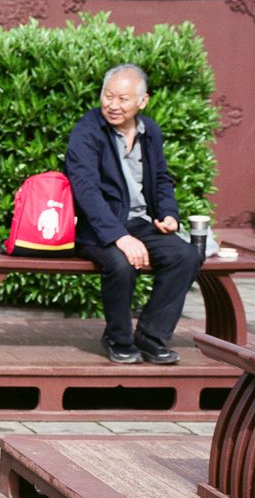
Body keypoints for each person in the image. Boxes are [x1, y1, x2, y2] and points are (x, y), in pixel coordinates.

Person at [65, 63, 202, 364]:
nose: (113, 105)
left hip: (140, 223)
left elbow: (163, 179)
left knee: (186, 255)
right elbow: (85, 191)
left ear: (142, 101)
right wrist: (119, 237)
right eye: (108, 96)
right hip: (96, 228)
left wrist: (169, 215)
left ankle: (151, 336)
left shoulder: (149, 131)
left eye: (122, 99)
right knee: (121, 263)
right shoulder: (86, 132)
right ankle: (118, 337)